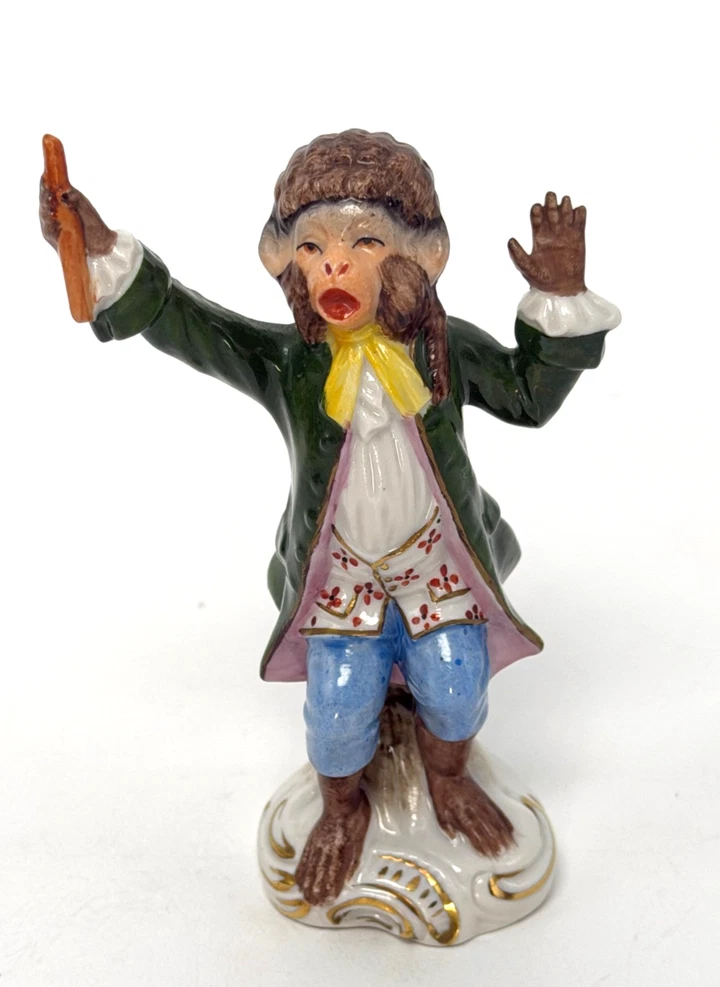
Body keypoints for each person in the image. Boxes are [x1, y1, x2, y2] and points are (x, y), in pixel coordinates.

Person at [40, 129, 620, 905]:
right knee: (339, 710)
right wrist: (99, 249)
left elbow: (528, 396)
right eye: (313, 248)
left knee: (457, 685)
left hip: (432, 566)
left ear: (421, 256)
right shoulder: (292, 361)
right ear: (287, 262)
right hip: (346, 578)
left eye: (364, 242)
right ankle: (343, 811)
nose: (335, 265)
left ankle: (448, 779)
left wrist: (558, 300)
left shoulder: (443, 352)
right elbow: (189, 323)